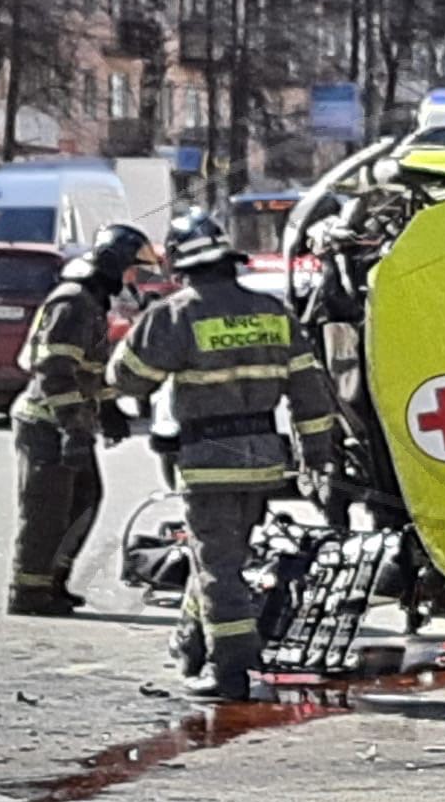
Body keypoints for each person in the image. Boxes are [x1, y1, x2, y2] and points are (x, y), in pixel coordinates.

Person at [107, 214, 337, 700]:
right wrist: (317, 456)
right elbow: (310, 394)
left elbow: (126, 379)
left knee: (218, 566)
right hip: (265, 461)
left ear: (183, 264)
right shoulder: (272, 311)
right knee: (221, 556)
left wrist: (143, 325)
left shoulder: (176, 314)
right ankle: (190, 645)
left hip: (207, 460)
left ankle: (229, 672)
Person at [9, 223, 157, 617]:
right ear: (114, 265)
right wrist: (72, 429)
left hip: (70, 422)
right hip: (48, 424)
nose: (134, 280)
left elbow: (90, 368)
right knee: (46, 512)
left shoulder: (91, 302)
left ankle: (53, 583)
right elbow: (53, 370)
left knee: (84, 502)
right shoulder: (73, 302)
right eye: (132, 271)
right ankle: (27, 593)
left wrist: (108, 409)